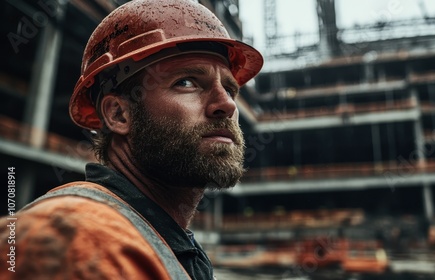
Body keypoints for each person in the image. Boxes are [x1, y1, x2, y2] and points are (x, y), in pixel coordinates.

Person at [0, 0, 263, 279]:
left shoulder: (166, 241)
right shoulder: (64, 241)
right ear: (118, 114)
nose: (227, 105)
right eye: (187, 82)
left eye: (230, 89)